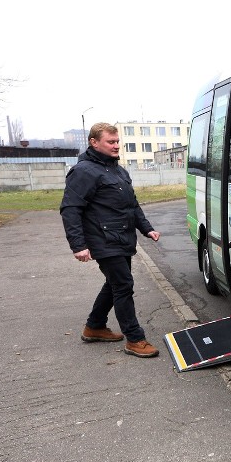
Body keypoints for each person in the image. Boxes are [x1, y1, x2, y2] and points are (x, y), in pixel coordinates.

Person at [60, 122, 161, 358]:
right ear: (94, 142)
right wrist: (79, 245)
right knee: (123, 285)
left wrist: (147, 229)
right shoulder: (84, 171)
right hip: (103, 239)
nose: (116, 146)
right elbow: (70, 209)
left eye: (117, 142)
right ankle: (135, 339)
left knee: (115, 284)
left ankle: (94, 327)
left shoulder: (118, 170)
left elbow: (132, 205)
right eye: (111, 142)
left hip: (121, 238)